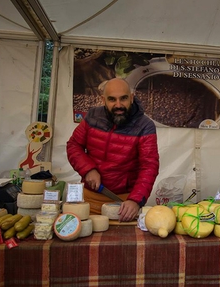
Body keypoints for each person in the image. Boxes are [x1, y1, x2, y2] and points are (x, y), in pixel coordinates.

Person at [67, 78, 159, 222]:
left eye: (123, 98)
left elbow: (149, 166)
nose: (118, 105)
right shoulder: (92, 116)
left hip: (123, 203)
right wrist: (88, 169)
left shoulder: (145, 125)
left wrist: (135, 200)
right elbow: (73, 145)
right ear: (103, 100)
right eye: (112, 99)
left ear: (132, 97)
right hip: (88, 199)